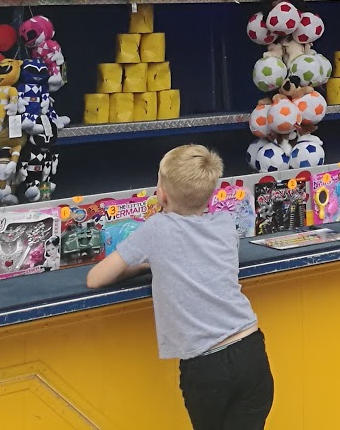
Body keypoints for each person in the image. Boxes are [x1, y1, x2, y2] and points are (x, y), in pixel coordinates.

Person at [87, 145, 273, 427]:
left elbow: (95, 278)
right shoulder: (225, 223)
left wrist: (146, 263)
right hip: (251, 350)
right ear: (211, 193)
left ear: (162, 194)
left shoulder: (156, 229)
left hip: (206, 366)